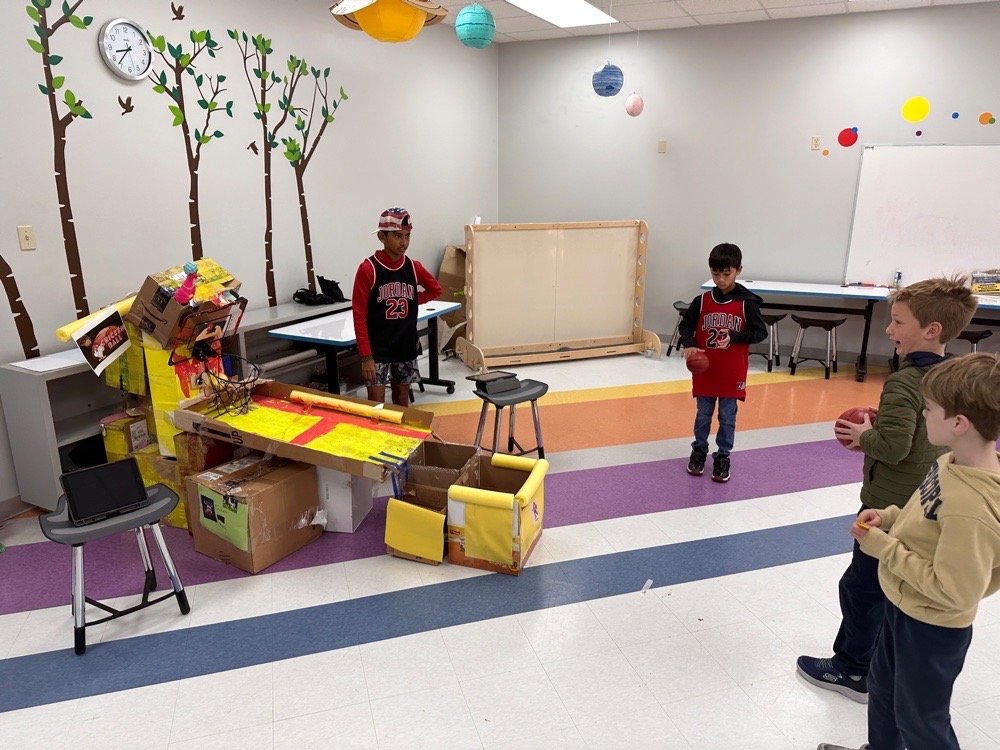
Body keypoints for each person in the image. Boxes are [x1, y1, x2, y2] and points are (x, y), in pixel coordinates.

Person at [797, 276, 978, 703]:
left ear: (931, 329)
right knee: (893, 586)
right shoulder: (951, 376)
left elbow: (894, 447)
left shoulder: (902, 383)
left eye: (897, 322)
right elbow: (923, 438)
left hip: (885, 503)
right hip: (926, 498)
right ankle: (881, 661)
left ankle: (852, 670)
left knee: (861, 588)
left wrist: (865, 437)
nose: (889, 331)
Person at [817, 352, 1000, 750]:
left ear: (958, 423)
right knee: (884, 692)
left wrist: (884, 549)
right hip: (904, 606)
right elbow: (926, 514)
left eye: (928, 409)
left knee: (921, 719)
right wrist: (892, 517)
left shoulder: (973, 506)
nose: (923, 417)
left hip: (932, 629)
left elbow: (957, 591)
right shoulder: (951, 461)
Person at [677, 242, 768, 482]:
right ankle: (699, 450)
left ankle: (723, 455)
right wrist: (689, 344)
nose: (720, 279)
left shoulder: (747, 303)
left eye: (726, 274)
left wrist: (735, 336)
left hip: (732, 371)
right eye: (715, 274)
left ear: (738, 270)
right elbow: (685, 325)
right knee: (703, 414)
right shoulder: (703, 300)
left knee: (727, 417)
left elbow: (761, 333)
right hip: (705, 370)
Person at [351, 207, 442, 407]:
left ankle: (401, 438)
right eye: (398, 236)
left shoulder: (412, 266)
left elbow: (435, 289)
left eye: (407, 236)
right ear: (382, 237)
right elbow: (359, 315)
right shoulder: (368, 269)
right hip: (377, 349)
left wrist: (412, 300)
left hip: (405, 345)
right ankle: (377, 439)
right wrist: (366, 356)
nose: (404, 242)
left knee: (402, 400)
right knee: (376, 404)